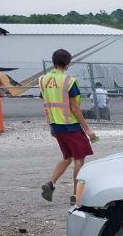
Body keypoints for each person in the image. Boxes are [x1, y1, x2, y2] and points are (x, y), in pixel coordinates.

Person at [39, 49, 97, 205]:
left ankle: (51, 183)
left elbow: (47, 103)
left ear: (53, 61)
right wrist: (88, 130)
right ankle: (75, 195)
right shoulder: (69, 81)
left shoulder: (43, 80)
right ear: (68, 63)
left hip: (56, 126)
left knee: (67, 157)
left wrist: (51, 125)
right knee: (79, 160)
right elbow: (75, 108)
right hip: (70, 126)